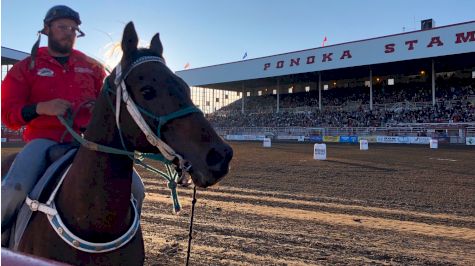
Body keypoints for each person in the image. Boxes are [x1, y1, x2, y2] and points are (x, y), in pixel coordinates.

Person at [1, 5, 145, 240]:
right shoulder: (25, 68)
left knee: (137, 189)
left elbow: (110, 106)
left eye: (74, 29)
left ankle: (123, 243)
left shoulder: (93, 67)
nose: (69, 32)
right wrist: (41, 108)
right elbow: (7, 115)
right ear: (47, 30)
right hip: (43, 143)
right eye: (63, 27)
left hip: (88, 143)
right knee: (13, 189)